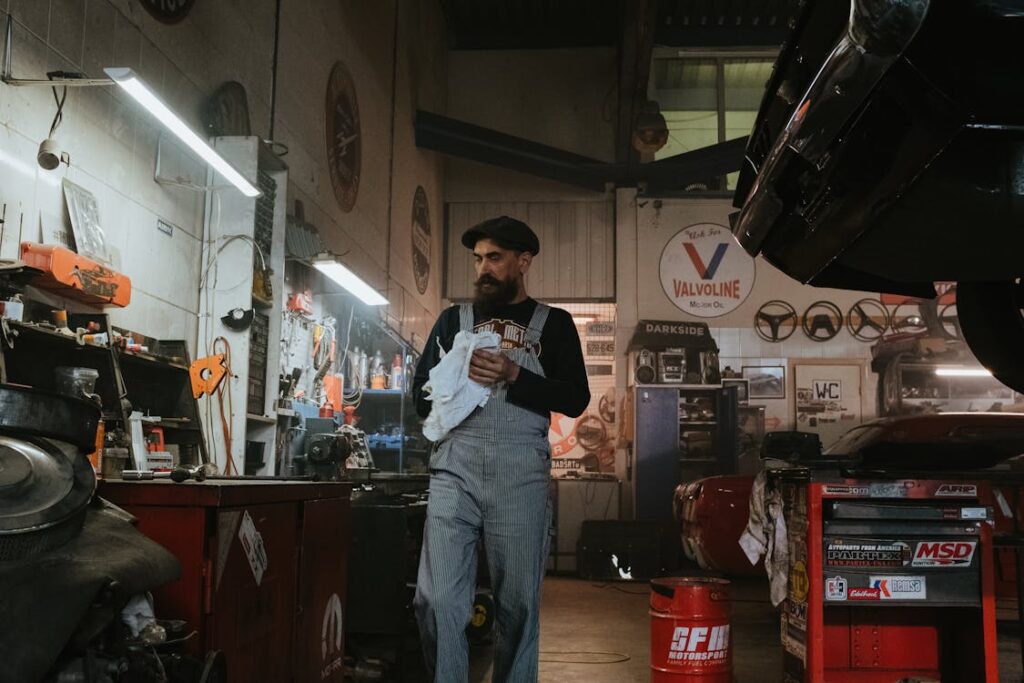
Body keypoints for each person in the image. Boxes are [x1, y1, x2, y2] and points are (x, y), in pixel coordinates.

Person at [412, 216, 590, 682]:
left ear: (522, 261)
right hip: (456, 468)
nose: (483, 268)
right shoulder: (453, 321)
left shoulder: (553, 325)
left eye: (494, 258)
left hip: (520, 474)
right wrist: (453, 382)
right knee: (437, 600)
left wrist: (514, 375)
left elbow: (575, 398)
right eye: (478, 259)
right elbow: (419, 397)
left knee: (518, 605)